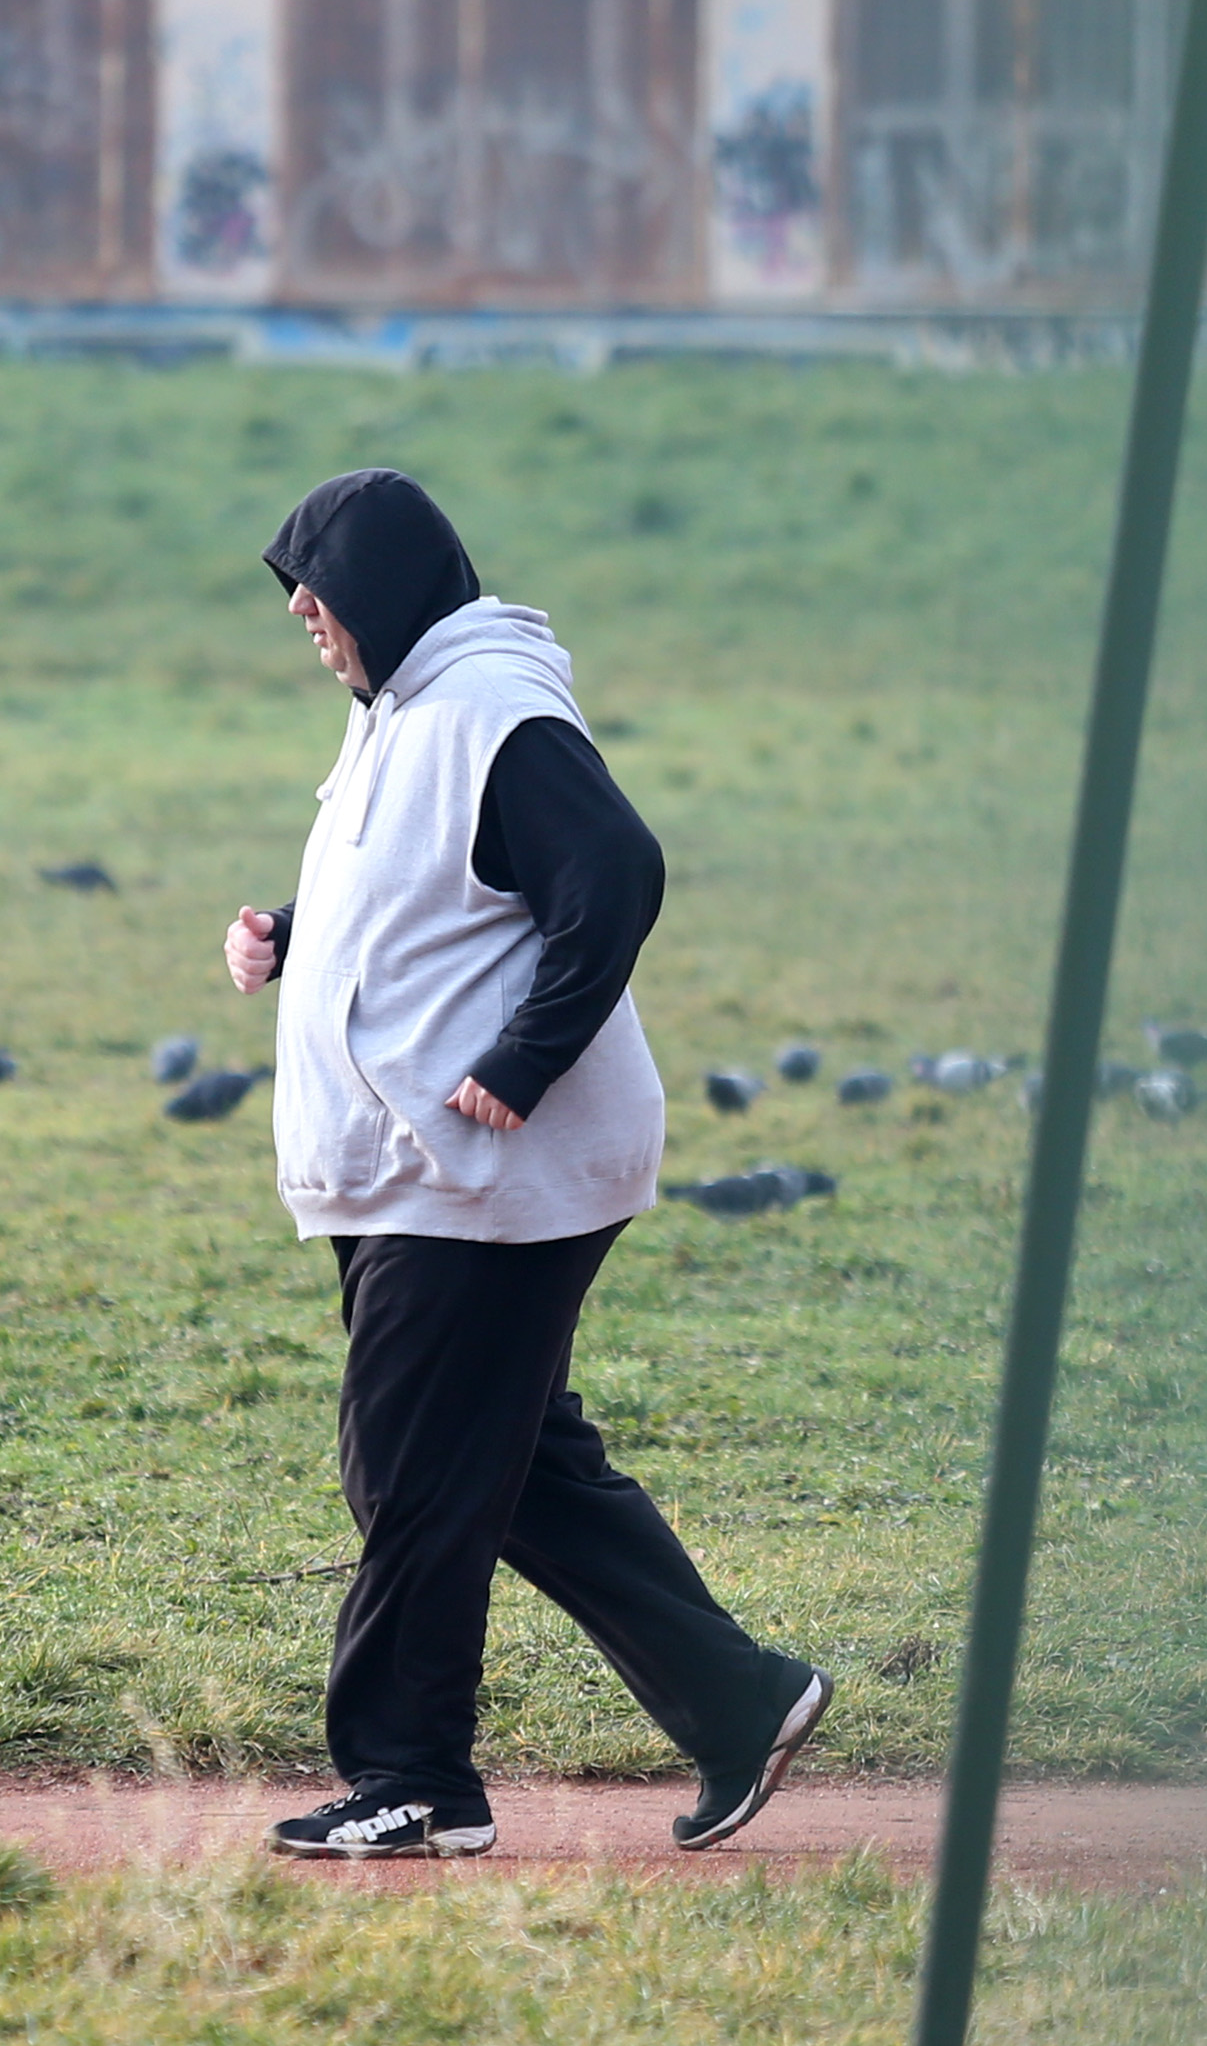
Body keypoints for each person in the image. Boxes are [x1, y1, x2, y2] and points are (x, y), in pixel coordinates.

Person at [224, 467, 829, 1861]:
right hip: (429, 1175)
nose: (302, 609)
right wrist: (296, 933)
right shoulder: (408, 714)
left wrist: (523, 1060)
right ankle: (742, 1702)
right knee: (515, 1468)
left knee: (414, 1475)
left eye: (315, 583)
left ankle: (414, 1779)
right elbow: (436, 896)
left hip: (484, 1176)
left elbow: (612, 872)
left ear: (383, 590)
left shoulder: (495, 711)